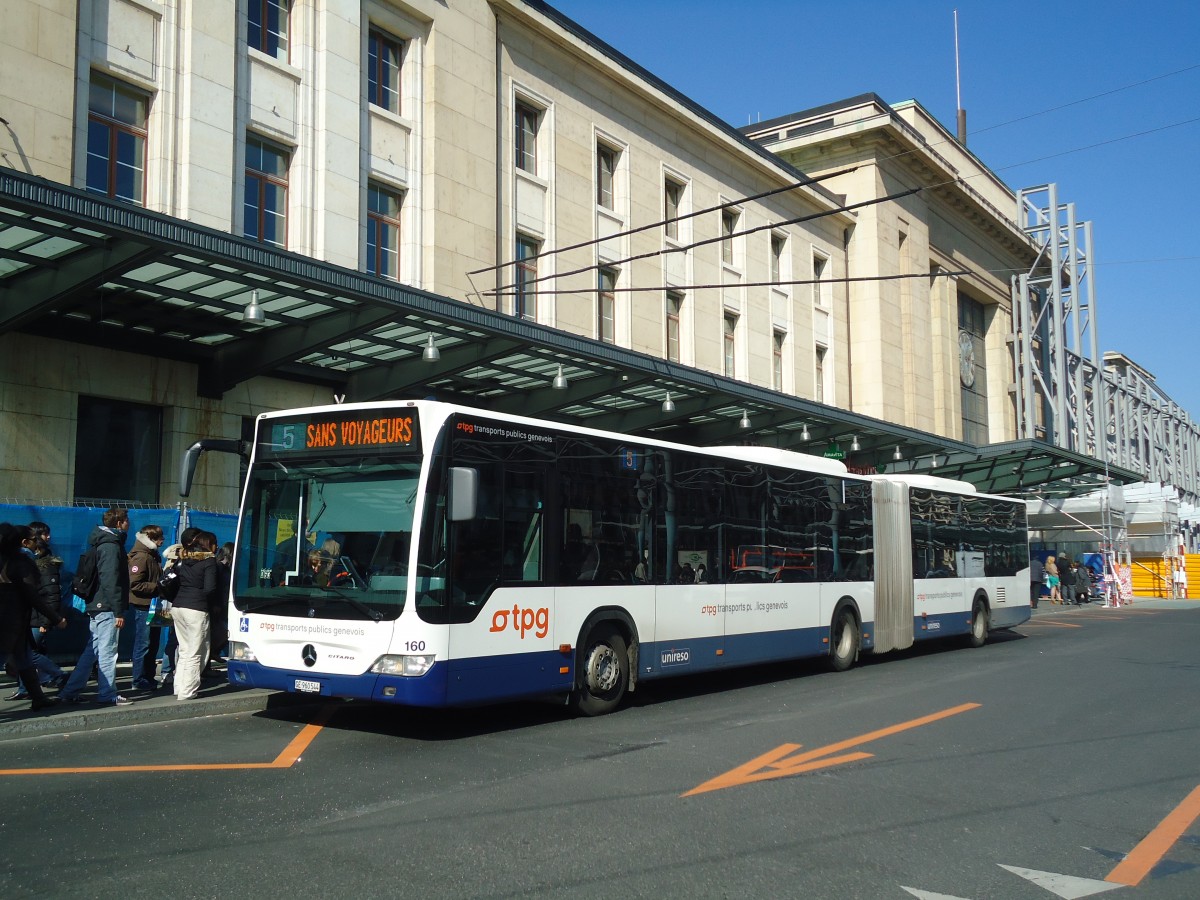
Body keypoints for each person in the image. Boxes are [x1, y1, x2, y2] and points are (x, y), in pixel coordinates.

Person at [60, 507, 133, 706]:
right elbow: (110, 579)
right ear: (119, 523)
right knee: (108, 651)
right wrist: (118, 610)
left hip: (96, 604)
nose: (129, 523)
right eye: (126, 520)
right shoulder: (111, 545)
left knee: (92, 650)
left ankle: (71, 690)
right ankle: (107, 693)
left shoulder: (100, 542)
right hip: (106, 606)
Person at [0, 523, 68, 711]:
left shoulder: (6, 560)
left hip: (14, 621)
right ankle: (39, 696)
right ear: (24, 542)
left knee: (25, 659)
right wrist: (55, 618)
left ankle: (38, 698)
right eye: (33, 539)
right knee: (12, 656)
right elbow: (32, 595)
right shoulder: (22, 562)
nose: (37, 542)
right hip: (11, 620)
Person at [172, 530, 217, 701]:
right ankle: (188, 691)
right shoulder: (209, 560)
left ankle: (179, 687)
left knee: (184, 650)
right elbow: (210, 588)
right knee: (196, 652)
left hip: (178, 605)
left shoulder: (184, 557)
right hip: (196, 608)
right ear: (208, 545)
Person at [127, 524, 165, 690]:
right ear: (151, 539)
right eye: (159, 538)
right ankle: (138, 679)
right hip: (144, 606)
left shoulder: (152, 555)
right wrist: (158, 586)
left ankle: (148, 677)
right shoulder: (142, 557)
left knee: (153, 643)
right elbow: (135, 584)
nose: (162, 540)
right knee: (143, 643)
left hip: (153, 605)